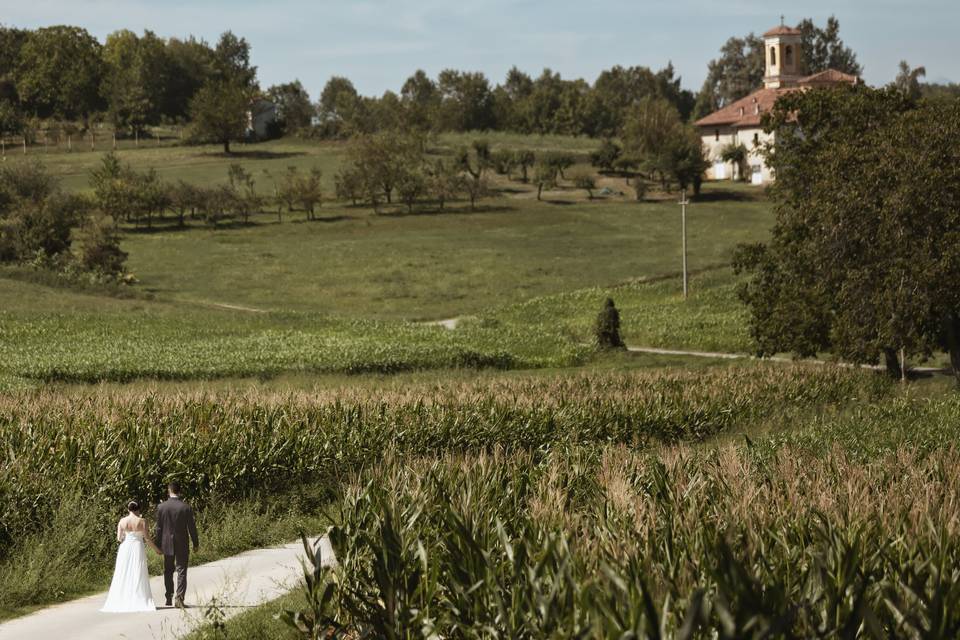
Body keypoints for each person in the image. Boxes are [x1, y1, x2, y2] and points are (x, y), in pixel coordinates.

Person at [100, 500, 162, 613]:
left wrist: (127, 536)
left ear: (128, 509)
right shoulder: (142, 521)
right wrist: (157, 550)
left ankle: (122, 598)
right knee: (138, 572)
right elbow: (147, 539)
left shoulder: (122, 521)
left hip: (125, 548)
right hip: (137, 547)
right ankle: (139, 598)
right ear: (138, 509)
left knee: (123, 572)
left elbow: (119, 538)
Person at [154, 481, 200, 608]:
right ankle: (179, 599)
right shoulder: (186, 507)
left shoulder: (161, 507)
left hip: (166, 543)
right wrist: (196, 543)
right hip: (182, 543)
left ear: (169, 491)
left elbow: (159, 528)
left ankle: (168, 596)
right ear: (180, 491)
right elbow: (192, 527)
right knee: (181, 570)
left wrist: (157, 545)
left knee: (168, 570)